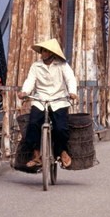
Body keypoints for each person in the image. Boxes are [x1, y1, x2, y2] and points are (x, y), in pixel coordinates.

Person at [18, 38, 78, 169]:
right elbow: (30, 80)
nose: (42, 53)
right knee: (33, 124)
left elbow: (70, 79)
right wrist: (24, 91)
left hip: (59, 99)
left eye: (45, 51)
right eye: (42, 51)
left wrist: (72, 92)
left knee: (61, 128)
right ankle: (37, 154)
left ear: (52, 53)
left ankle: (62, 152)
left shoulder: (62, 65)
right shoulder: (36, 66)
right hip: (41, 99)